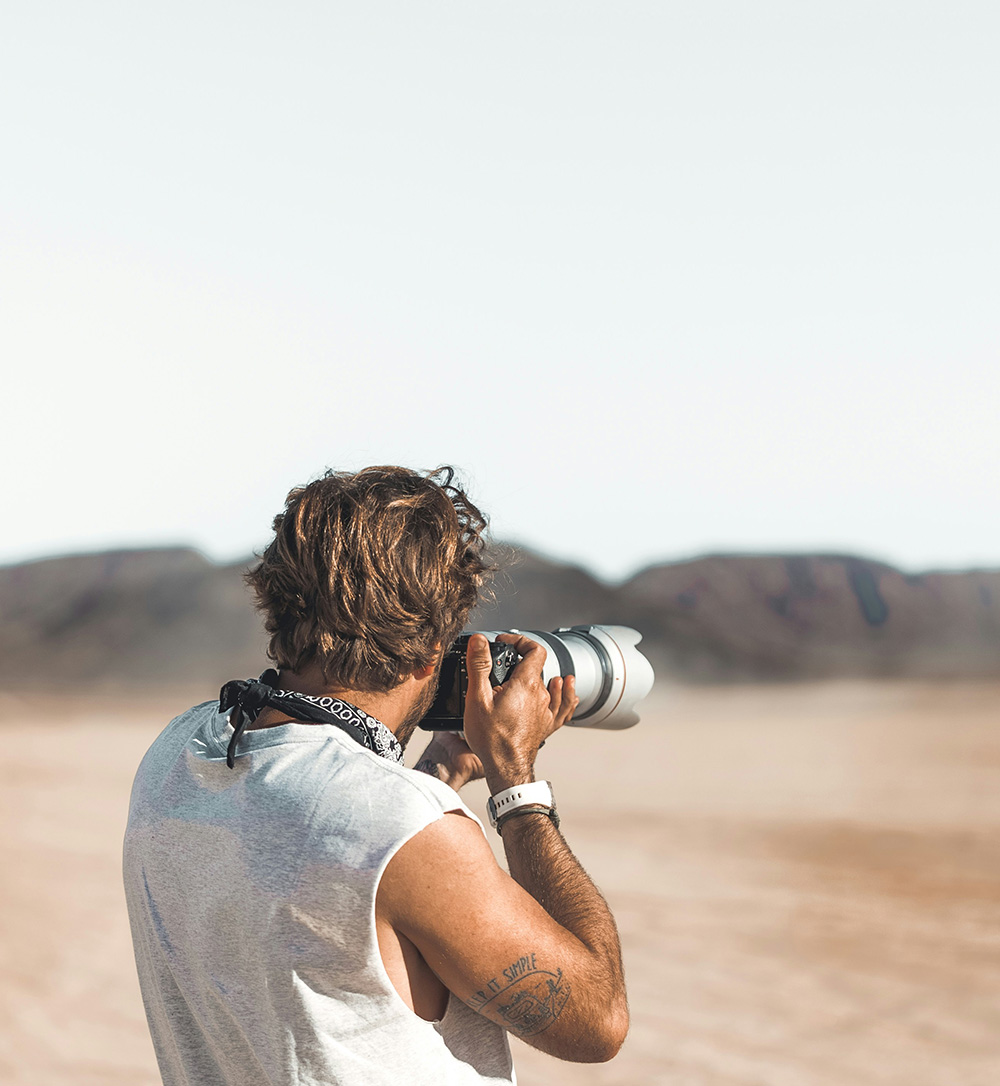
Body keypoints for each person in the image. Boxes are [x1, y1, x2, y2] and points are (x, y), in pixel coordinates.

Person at [123, 465, 628, 1086]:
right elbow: (597, 1019)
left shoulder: (180, 750)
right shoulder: (401, 824)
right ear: (428, 653)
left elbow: (327, 854)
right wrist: (514, 780)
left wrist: (440, 770)